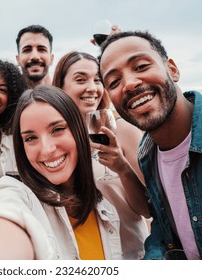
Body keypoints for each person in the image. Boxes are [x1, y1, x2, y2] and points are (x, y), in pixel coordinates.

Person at [99, 30, 202, 260]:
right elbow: (166, 236)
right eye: (114, 81)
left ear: (172, 69)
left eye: (141, 66)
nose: (130, 84)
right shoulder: (147, 154)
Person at [0, 85, 122, 260]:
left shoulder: (107, 211)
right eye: (30, 138)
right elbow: (1, 219)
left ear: (79, 131)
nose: (46, 149)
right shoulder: (15, 193)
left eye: (57, 129)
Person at [53, 51, 150, 259]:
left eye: (97, 79)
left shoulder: (124, 131)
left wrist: (122, 168)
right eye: (80, 79)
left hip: (132, 256)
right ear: (60, 88)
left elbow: (148, 210)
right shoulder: (56, 142)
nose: (92, 87)